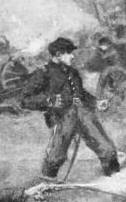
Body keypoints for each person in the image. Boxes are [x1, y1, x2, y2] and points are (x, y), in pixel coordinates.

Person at [21, 37, 120, 180]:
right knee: (56, 156)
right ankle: (47, 182)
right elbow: (24, 100)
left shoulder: (73, 72)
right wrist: (49, 101)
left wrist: (96, 103)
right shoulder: (43, 73)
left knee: (107, 149)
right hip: (61, 117)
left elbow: (80, 94)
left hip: (83, 114)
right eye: (68, 53)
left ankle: (115, 178)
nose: (73, 56)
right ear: (58, 55)